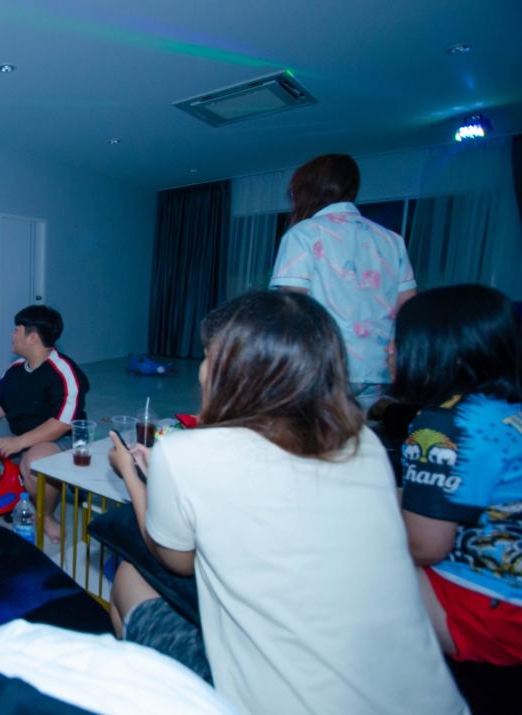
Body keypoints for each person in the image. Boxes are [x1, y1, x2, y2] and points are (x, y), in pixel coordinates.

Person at [107, 290, 464, 714]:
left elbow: (176, 560)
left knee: (129, 577)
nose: (200, 371)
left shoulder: (185, 453)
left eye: (206, 356)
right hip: (432, 702)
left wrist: (131, 475)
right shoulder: (362, 442)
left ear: (230, 371)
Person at [392, 284, 522, 665]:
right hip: (510, 598)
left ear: (437, 347)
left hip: (489, 612)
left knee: (341, 554)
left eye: (398, 339)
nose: (389, 350)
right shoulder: (503, 411)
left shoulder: (444, 425)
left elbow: (426, 548)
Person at [270, 153, 416, 412]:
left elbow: (293, 305)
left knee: (316, 432)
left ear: (307, 190)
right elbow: (409, 306)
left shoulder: (305, 233)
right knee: (364, 431)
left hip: (326, 361)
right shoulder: (391, 239)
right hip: (380, 366)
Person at [0, 305, 88, 541]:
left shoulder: (64, 372)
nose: (12, 334)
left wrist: (18, 442)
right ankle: (4, 486)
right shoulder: (15, 369)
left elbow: (62, 424)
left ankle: (45, 516)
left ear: (32, 338)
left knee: (35, 463)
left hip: (58, 440)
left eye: (17, 330)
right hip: (19, 434)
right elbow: (2, 404)